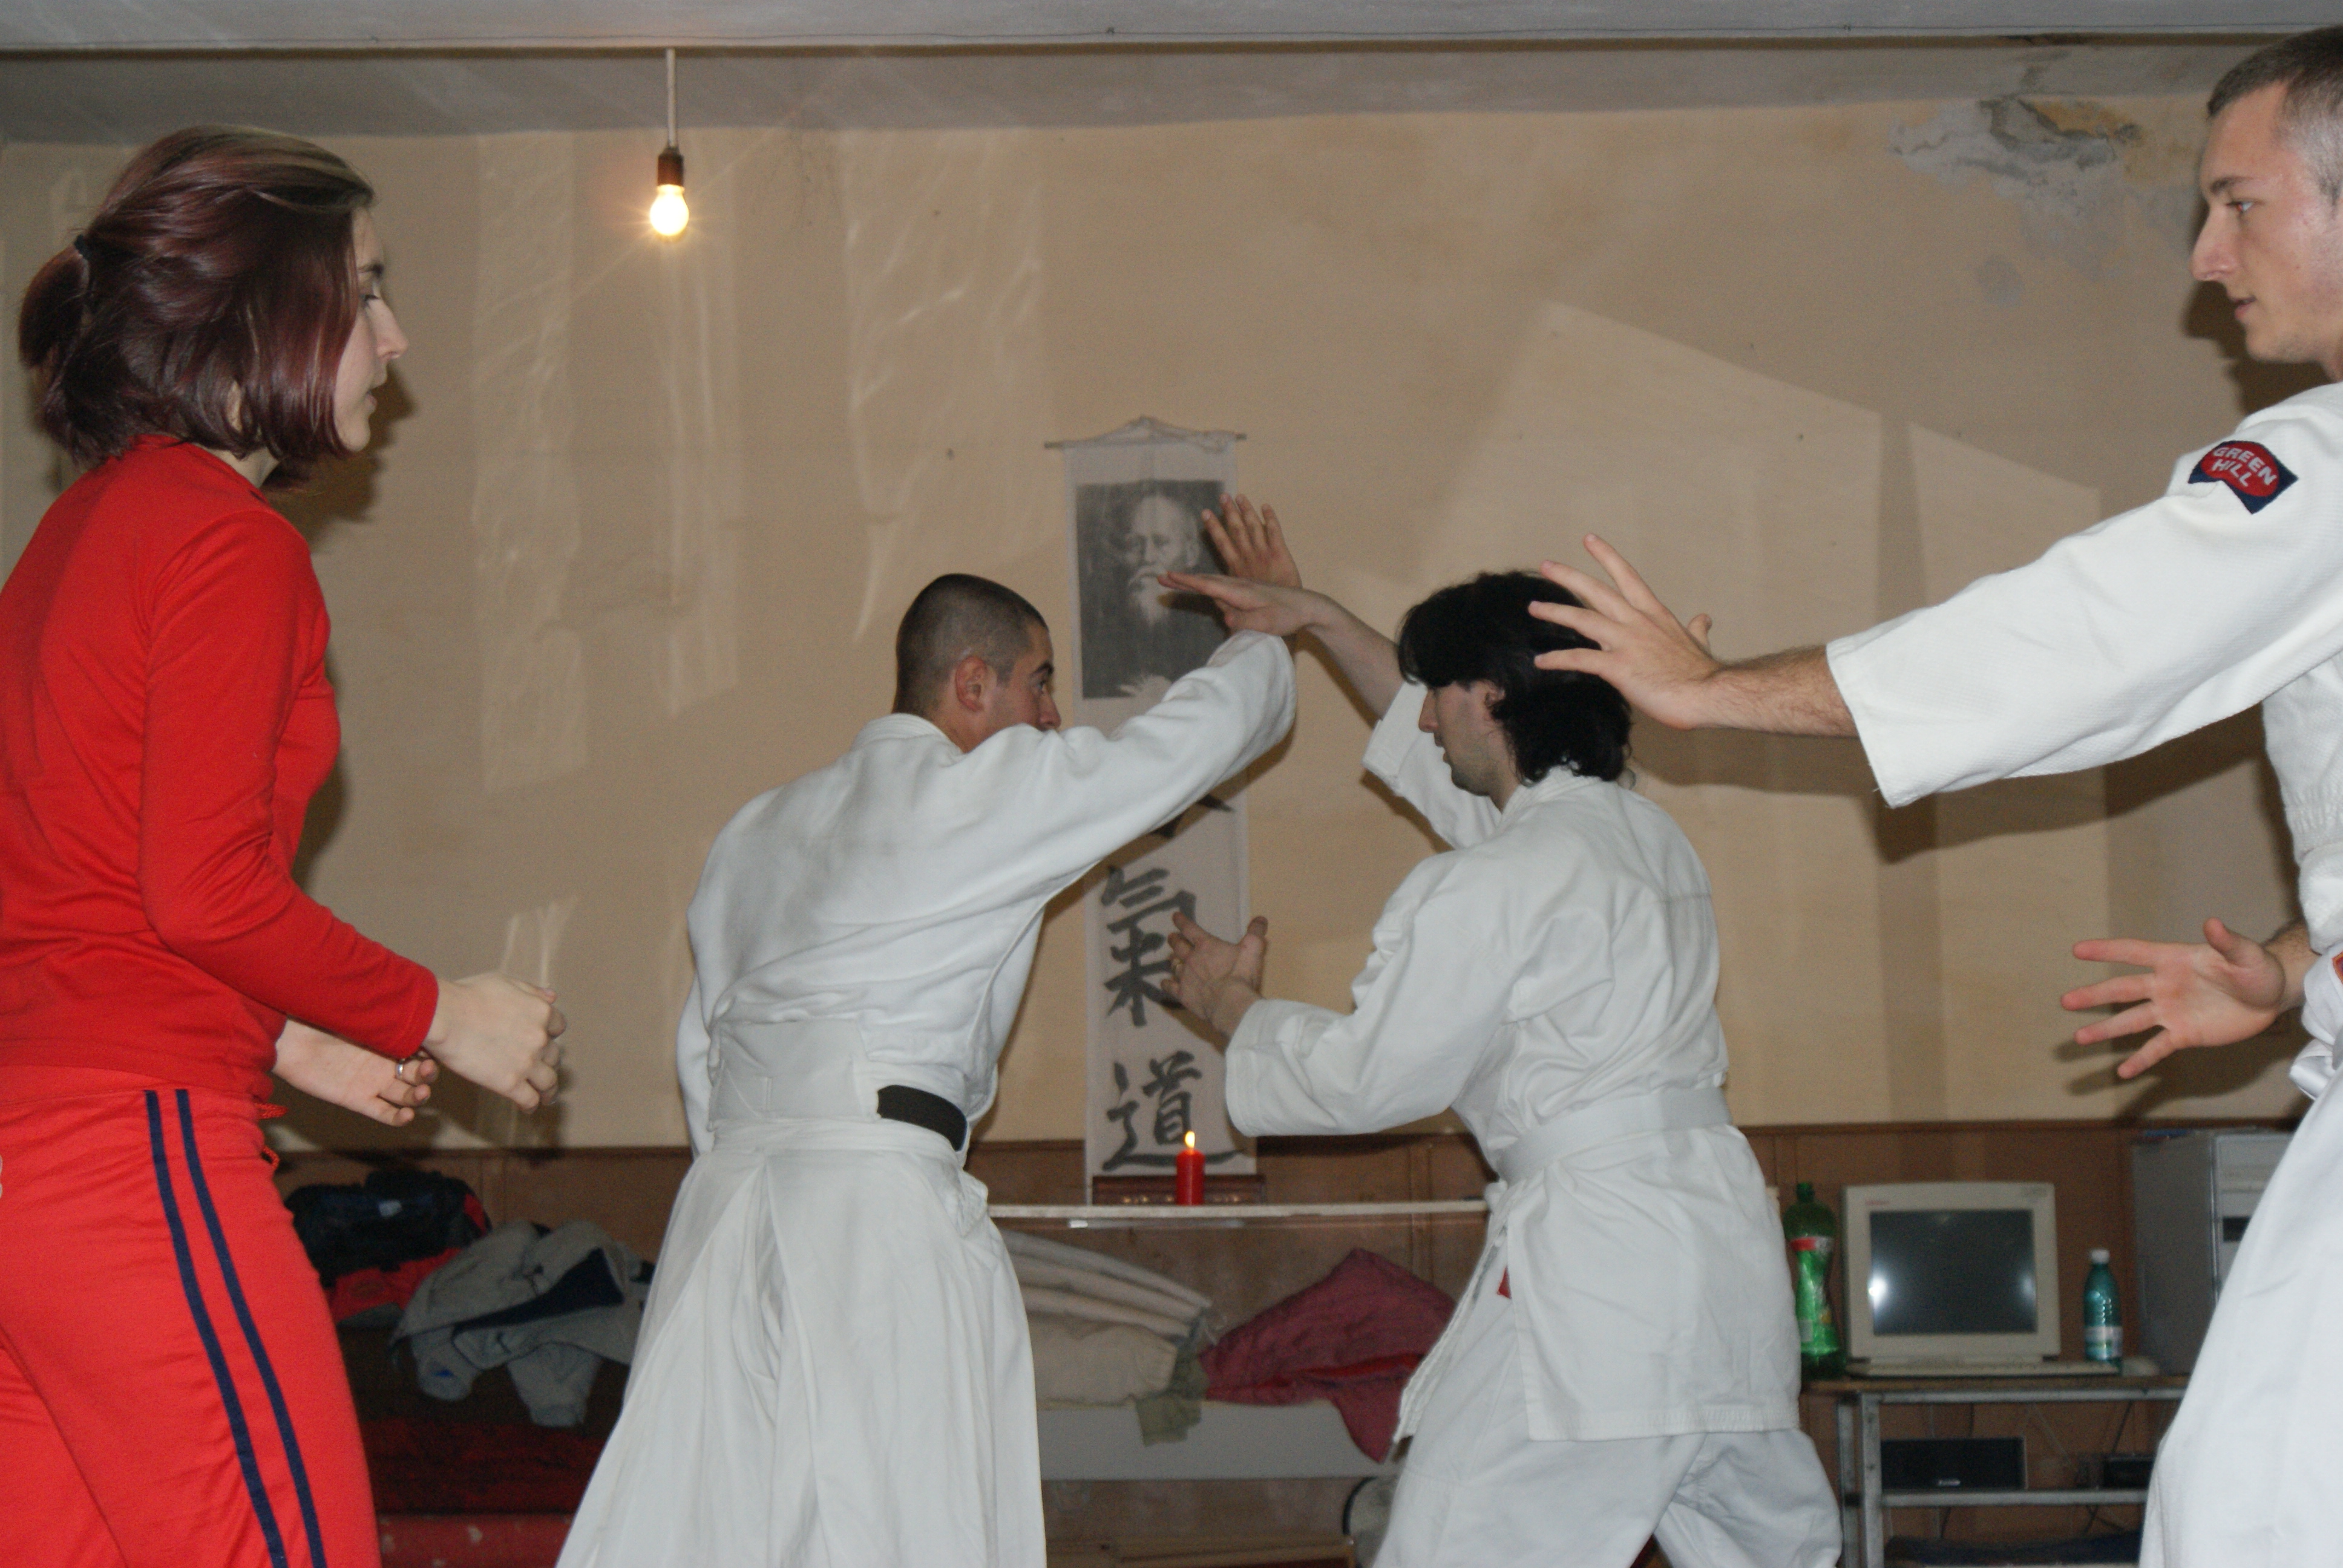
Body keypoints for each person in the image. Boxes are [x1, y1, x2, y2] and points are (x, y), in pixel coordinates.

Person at [1519, 29, 2343, 1567]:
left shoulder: (2323, 465)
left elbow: (2081, 640)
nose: (2203, 255)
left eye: (2240, 204)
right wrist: (2299, 970)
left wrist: (1716, 689)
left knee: (2251, 1511)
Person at [0, 128, 566, 1568]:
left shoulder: (73, 537)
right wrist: (439, 1010)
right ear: (264, 320)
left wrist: (285, 1038)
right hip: (129, 1167)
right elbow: (198, 889)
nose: (396, 336)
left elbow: (83, 888)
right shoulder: (226, 538)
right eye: (366, 289)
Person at [557, 572, 1293, 1567]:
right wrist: (1264, 639)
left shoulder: (757, 827)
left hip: (724, 1209)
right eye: (1040, 682)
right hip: (871, 1206)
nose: (1052, 714)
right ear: (973, 683)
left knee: (718, 1520)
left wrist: (761, 1163)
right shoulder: (977, 792)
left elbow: (704, 1048)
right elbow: (1179, 748)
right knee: (894, 1518)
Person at [1160, 501, 1838, 1568]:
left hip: (1598, 1284)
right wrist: (1321, 618)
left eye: (1437, 695)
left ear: (1488, 696)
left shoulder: (1502, 877)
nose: (1425, 725)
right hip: (1717, 1266)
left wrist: (1236, 1012)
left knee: (1449, 1545)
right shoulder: (1640, 837)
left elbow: (1368, 1080)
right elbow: (1473, 795)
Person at [1076, 482, 1228, 699]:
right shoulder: (1099, 639)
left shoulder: (1215, 635)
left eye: (1161, 543)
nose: (1147, 557)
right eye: (1136, 544)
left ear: (1191, 554)